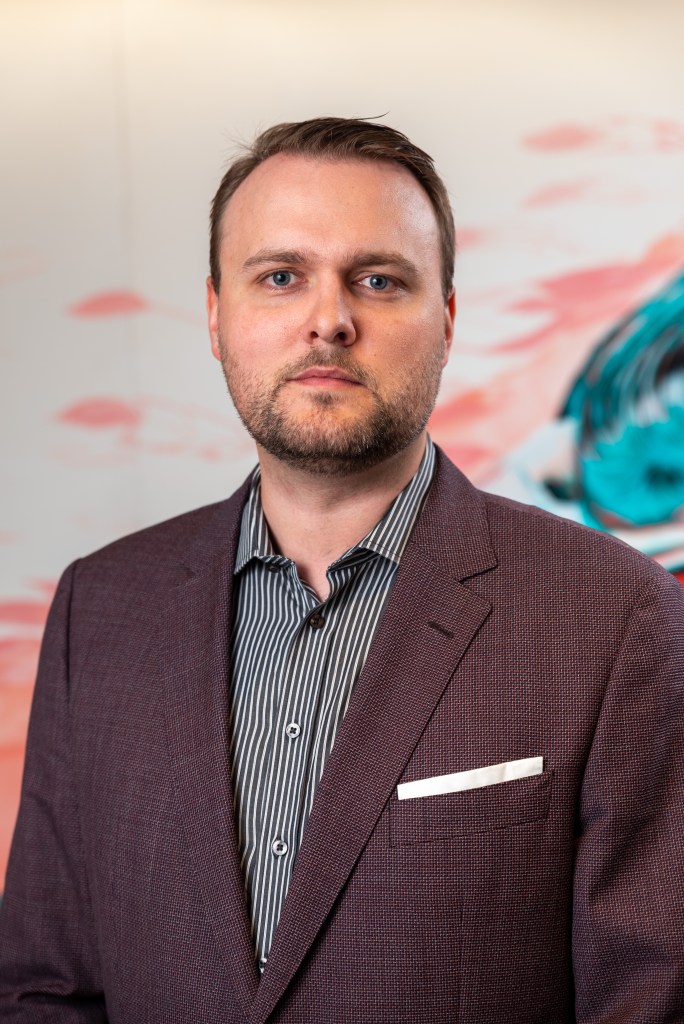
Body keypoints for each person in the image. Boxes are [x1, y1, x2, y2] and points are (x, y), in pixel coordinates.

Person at [0, 117, 682, 1023]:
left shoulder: (615, 613)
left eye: (378, 280)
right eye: (281, 277)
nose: (329, 319)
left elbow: (648, 1002)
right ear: (216, 315)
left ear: (445, 318)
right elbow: (45, 987)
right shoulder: (101, 608)